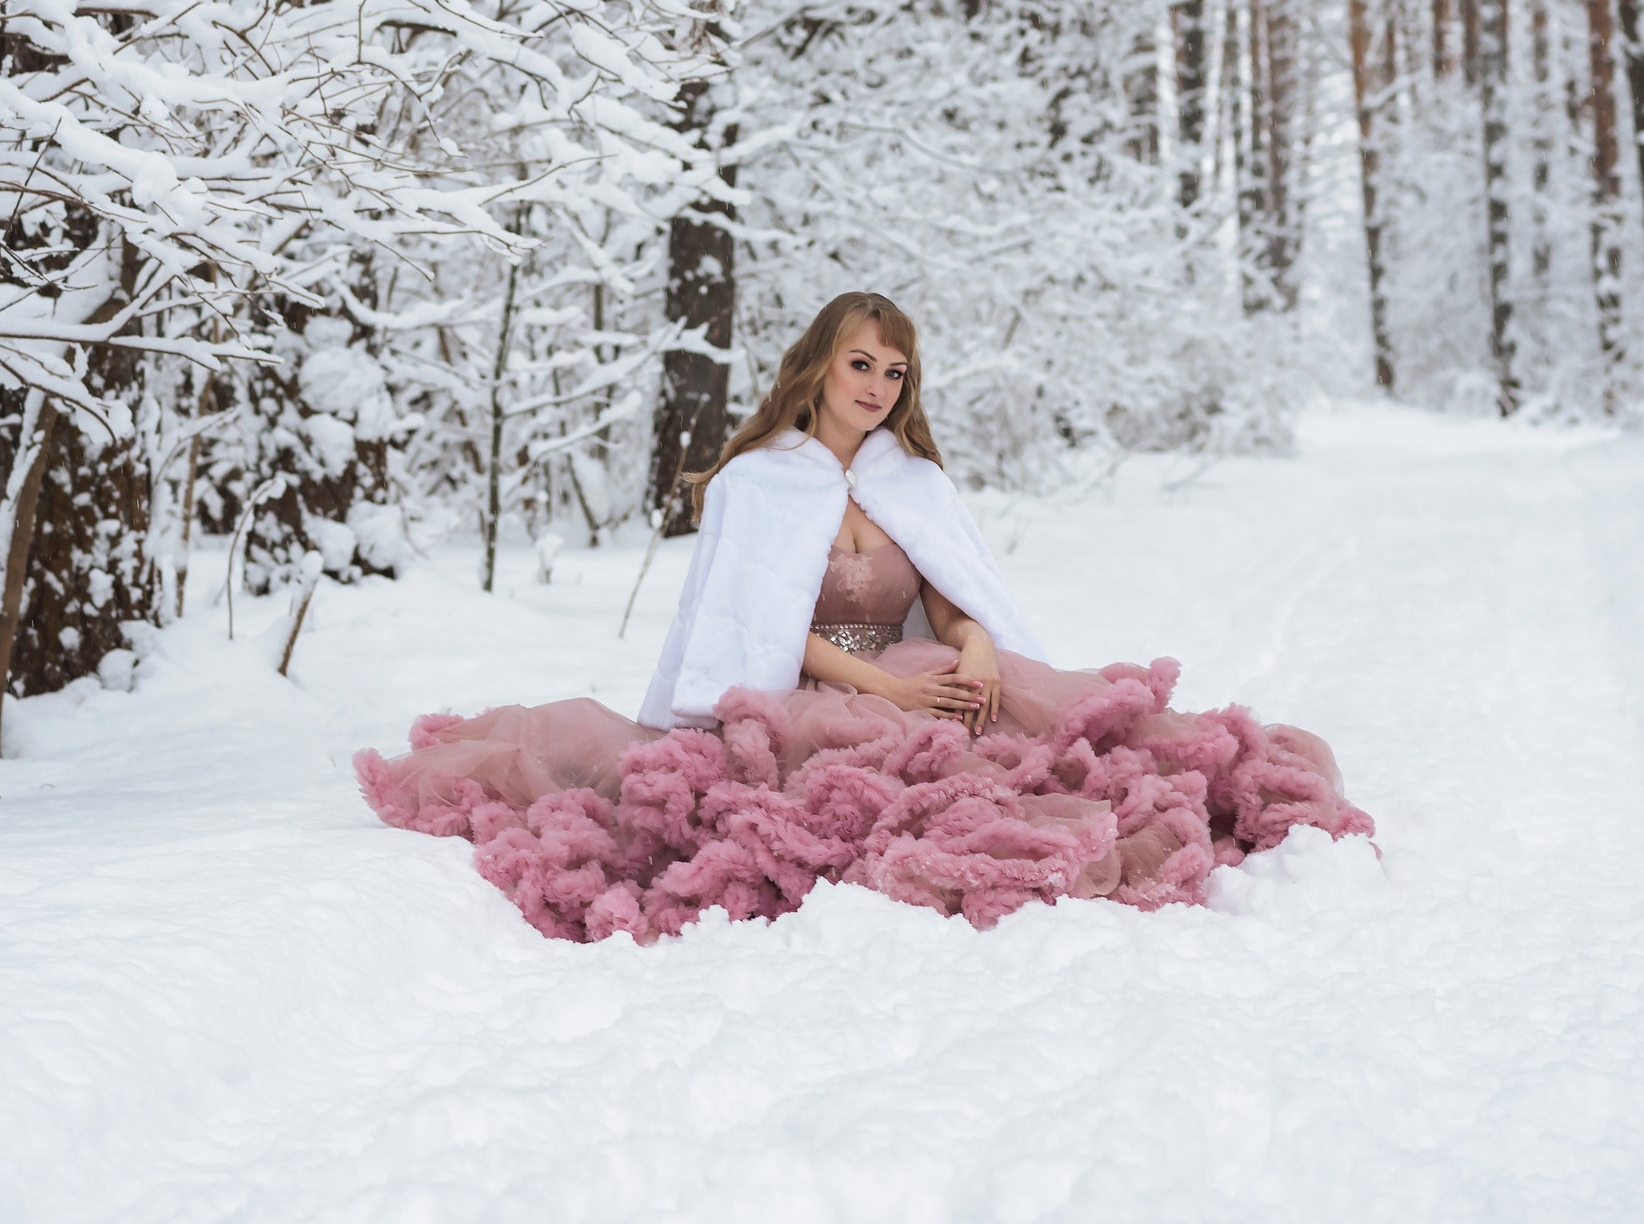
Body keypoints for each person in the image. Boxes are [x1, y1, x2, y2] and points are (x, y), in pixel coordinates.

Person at [354, 292, 1372, 942]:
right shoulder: (757, 480)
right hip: (808, 695)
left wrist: (975, 648)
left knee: (1052, 760)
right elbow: (757, 628)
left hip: (916, 676)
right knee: (851, 799)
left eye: (895, 371)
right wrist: (887, 685)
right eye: (860, 365)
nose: (879, 387)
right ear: (818, 365)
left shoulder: (913, 480)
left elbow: (953, 599)